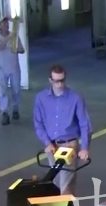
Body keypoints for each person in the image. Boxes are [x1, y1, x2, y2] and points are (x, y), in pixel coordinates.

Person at [33, 64, 93, 195]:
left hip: (69, 145)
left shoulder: (75, 98)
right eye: (56, 81)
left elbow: (84, 124)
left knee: (66, 186)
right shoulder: (41, 99)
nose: (59, 84)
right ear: (50, 80)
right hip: (52, 146)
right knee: (55, 183)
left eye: (62, 80)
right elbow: (38, 123)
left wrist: (84, 148)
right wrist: (47, 143)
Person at [0, 17, 25, 125]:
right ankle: (5, 113)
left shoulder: (15, 36)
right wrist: (9, 38)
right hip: (2, 68)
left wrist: (18, 49)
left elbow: (22, 50)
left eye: (7, 23)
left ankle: (15, 109)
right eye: (3, 23)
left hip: (14, 68)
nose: (6, 25)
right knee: (3, 91)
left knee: (16, 90)